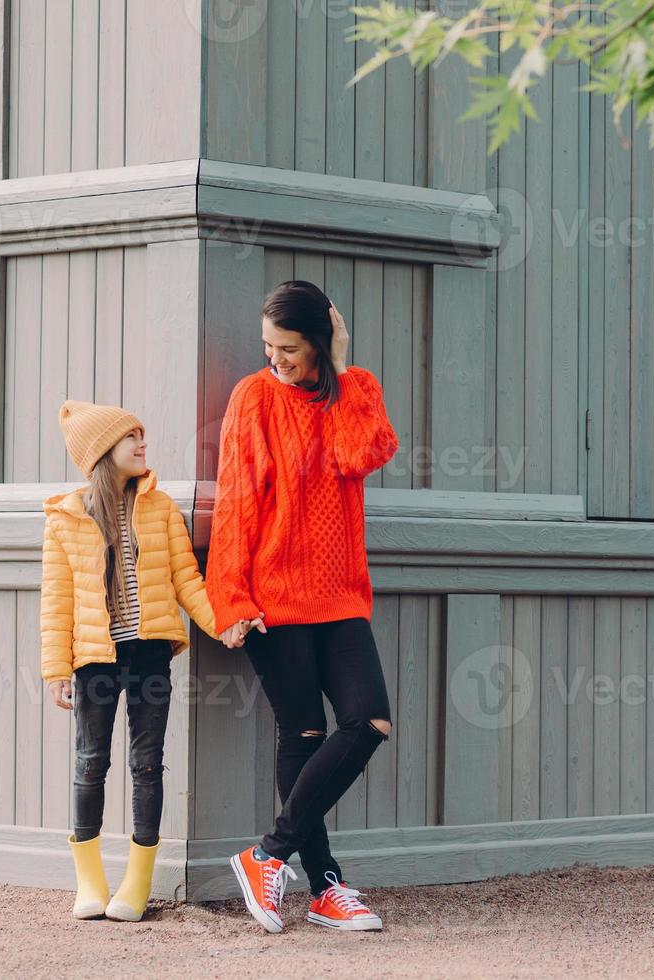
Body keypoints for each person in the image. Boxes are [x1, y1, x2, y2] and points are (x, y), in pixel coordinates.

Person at [206, 279, 399, 934]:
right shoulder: (253, 397)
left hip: (339, 593)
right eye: (268, 346)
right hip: (274, 597)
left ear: (318, 342)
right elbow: (235, 501)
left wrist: (343, 365)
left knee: (368, 720)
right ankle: (326, 887)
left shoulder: (349, 392)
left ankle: (268, 854)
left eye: (288, 348)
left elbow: (362, 452)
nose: (276, 359)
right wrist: (229, 598)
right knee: (305, 734)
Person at [41, 400, 220, 922]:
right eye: (131, 438)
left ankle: (136, 884)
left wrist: (221, 624)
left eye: (142, 436)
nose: (143, 445)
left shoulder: (161, 508)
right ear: (103, 452)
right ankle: (90, 883)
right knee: (90, 763)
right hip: (94, 659)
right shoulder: (65, 518)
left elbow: (187, 580)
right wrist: (56, 668)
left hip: (149, 654)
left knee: (147, 765)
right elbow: (55, 601)